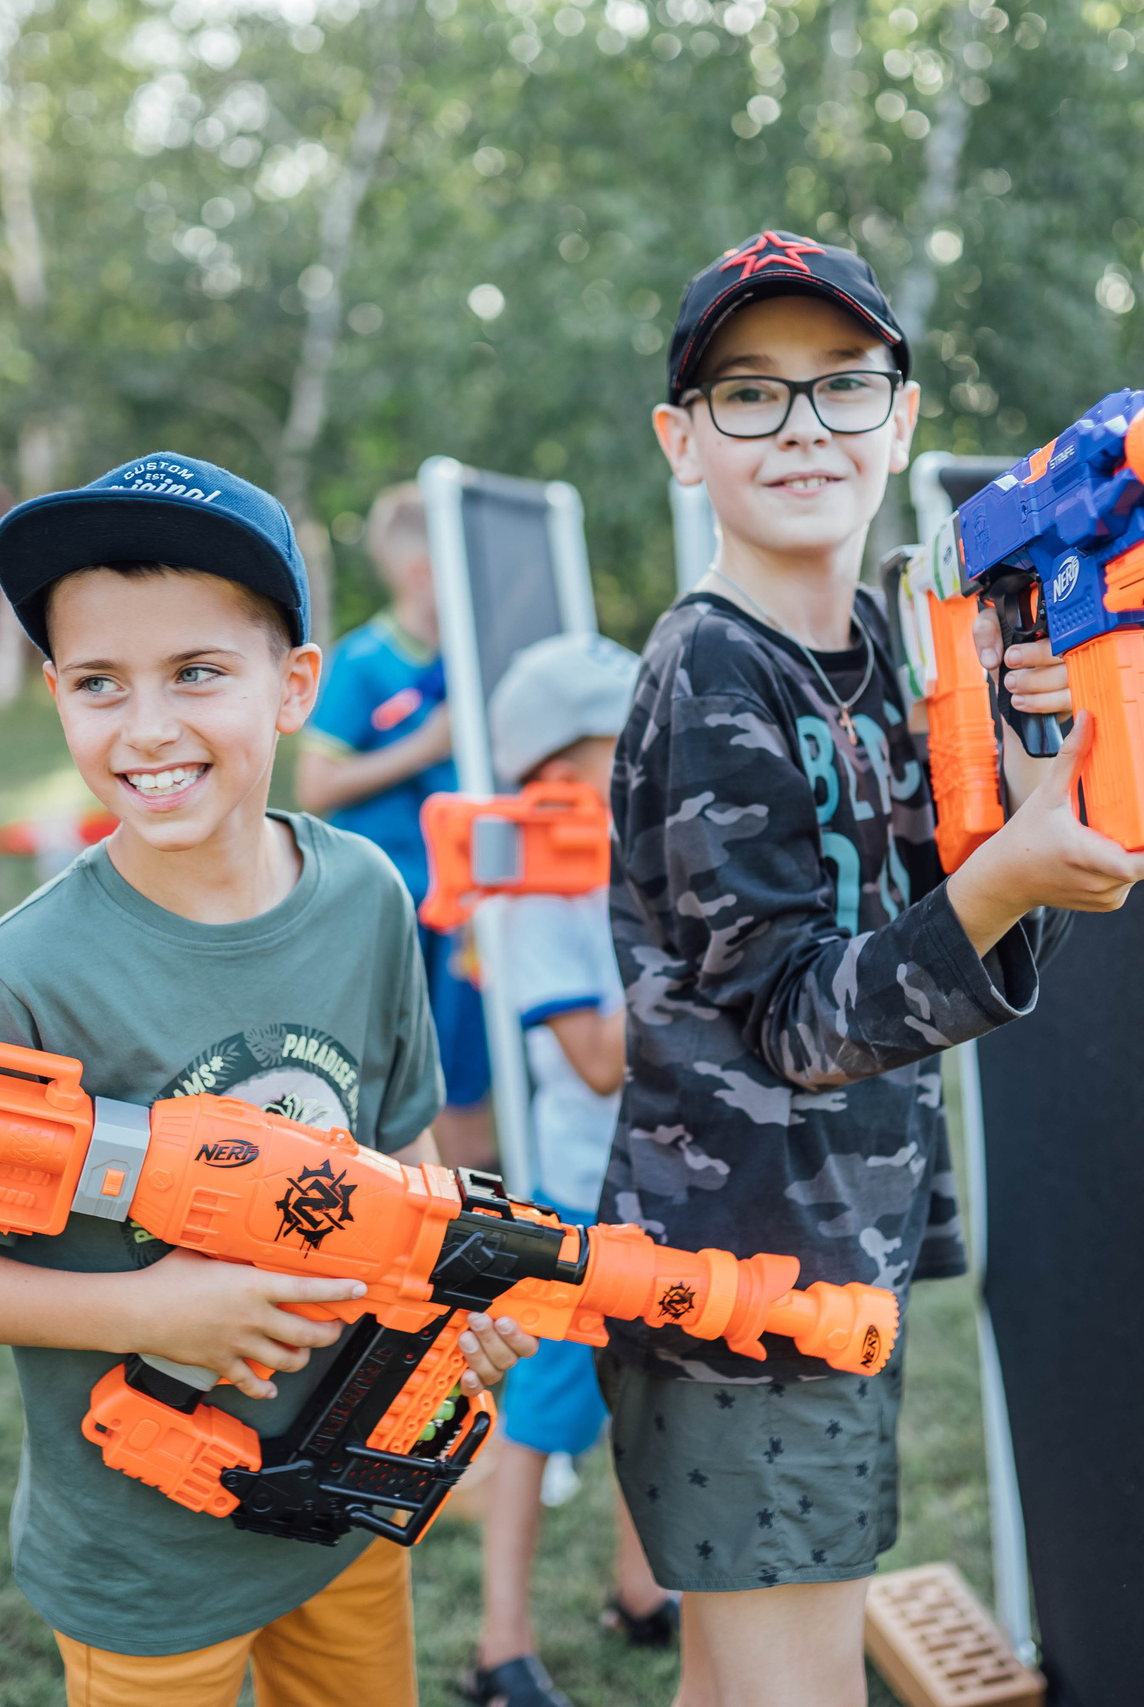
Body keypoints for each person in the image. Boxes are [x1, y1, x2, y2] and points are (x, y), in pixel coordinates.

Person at [0, 453, 536, 1707]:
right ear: (56, 696)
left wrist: (454, 1300)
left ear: (292, 687)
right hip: (143, 1564)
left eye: (197, 673)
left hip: (352, 1502)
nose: (145, 728)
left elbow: (406, 1158)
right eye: (100, 683)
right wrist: (153, 1316)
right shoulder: (23, 981)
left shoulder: (368, 895)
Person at [600, 232, 1144, 1707]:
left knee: (740, 1672)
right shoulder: (711, 667)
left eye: (843, 387)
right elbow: (799, 1017)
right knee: (798, 1677)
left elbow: (958, 916)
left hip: (824, 1243)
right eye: (751, 394)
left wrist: (1033, 770)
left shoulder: (886, 641)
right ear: (684, 441)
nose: (803, 426)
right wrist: (1006, 872)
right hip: (740, 1272)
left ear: (901, 420)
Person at [460, 632, 673, 1707]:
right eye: (618, 748)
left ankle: (639, 1591)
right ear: (551, 777)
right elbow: (594, 1062)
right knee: (542, 1418)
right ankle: (500, 1645)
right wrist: (698, 971)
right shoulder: (539, 887)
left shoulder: (639, 855)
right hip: (574, 1199)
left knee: (650, 1391)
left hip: (659, 1190)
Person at [294, 483, 496, 1169]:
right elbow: (314, 784)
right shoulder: (362, 661)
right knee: (394, 1078)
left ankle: (477, 1216)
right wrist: (424, 746)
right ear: (421, 573)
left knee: (470, 1070)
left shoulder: (476, 656)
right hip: (393, 912)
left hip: (466, 905)